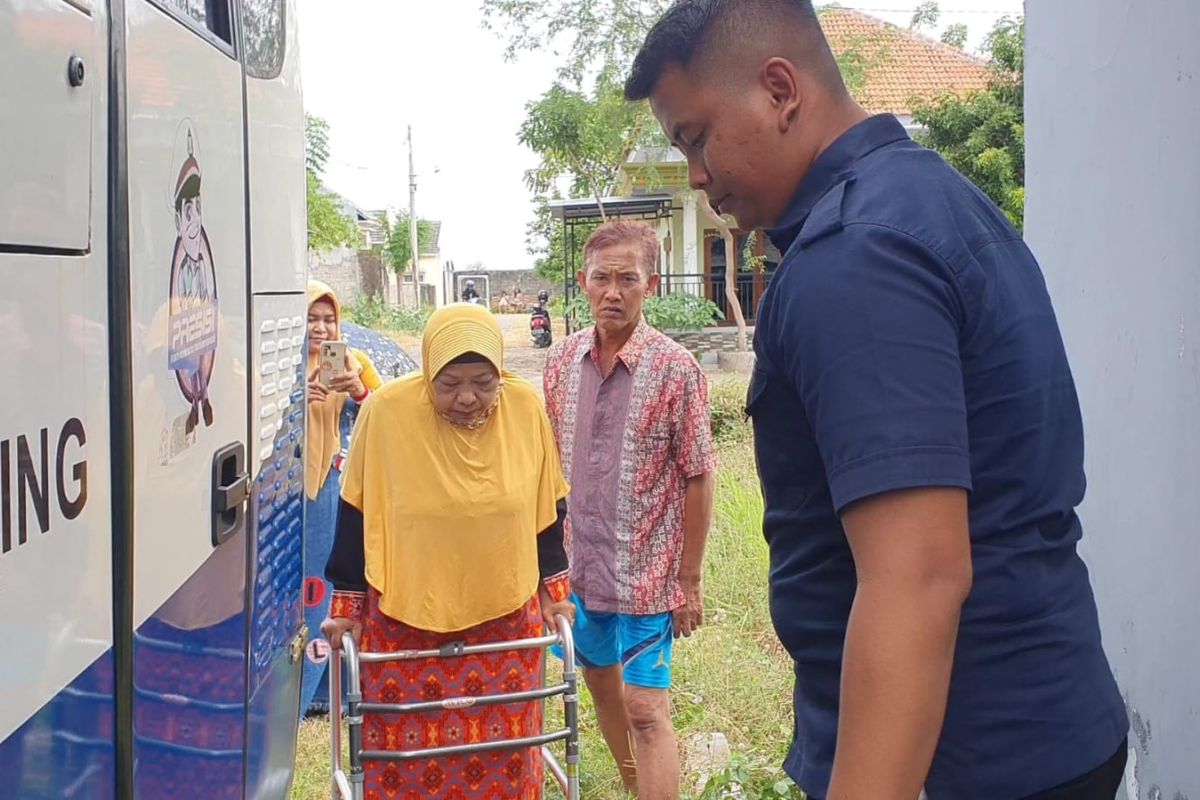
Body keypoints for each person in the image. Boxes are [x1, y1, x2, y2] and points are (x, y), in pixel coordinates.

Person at [624, 3, 1129, 799]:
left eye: (696, 137)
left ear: (779, 90)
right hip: (1043, 730)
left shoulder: (854, 256)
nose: (695, 173)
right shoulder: (935, 199)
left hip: (964, 758)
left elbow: (916, 577)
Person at [321, 303, 576, 799]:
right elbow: (356, 513)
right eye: (449, 383)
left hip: (504, 621)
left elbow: (547, 507)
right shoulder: (387, 411)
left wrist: (555, 592)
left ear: (500, 372)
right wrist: (348, 607)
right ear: (428, 371)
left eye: (483, 382)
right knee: (404, 762)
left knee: (506, 759)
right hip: (404, 623)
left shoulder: (524, 408)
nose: (467, 398)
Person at [543, 220, 716, 800]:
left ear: (652, 284)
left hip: (646, 576)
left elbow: (698, 476)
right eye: (601, 278)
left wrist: (688, 580)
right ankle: (633, 786)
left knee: (645, 706)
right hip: (579, 571)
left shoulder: (675, 369)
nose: (613, 291)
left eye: (627, 279)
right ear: (582, 282)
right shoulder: (561, 363)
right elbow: (545, 467)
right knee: (600, 685)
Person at [300, 280, 383, 716]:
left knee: (329, 583)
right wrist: (298, 397)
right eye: (311, 318)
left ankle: (322, 688)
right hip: (285, 491)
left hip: (332, 486)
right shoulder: (280, 365)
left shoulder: (355, 360)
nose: (320, 328)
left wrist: (357, 391)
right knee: (294, 589)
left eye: (328, 319)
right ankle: (294, 682)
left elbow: (388, 410)